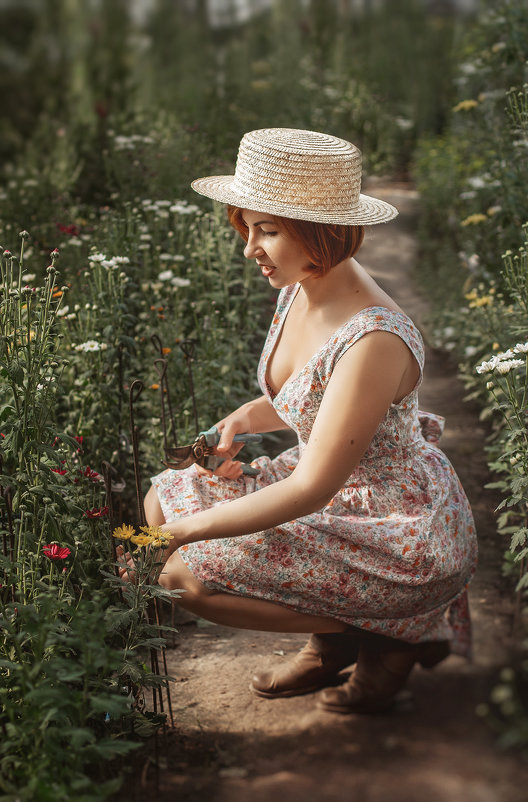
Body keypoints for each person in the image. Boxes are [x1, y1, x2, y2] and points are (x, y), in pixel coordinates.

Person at [122, 128, 478, 715]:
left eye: (267, 230)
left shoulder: (375, 340)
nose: (249, 249)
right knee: (164, 500)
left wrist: (189, 534)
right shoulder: (302, 281)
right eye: (248, 226)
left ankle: (385, 634)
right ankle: (337, 638)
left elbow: (313, 487)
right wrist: (244, 416)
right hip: (335, 490)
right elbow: (311, 395)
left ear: (324, 232)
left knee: (184, 575)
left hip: (392, 522)